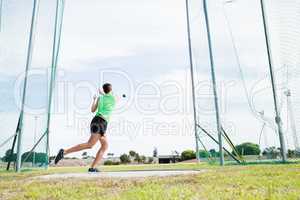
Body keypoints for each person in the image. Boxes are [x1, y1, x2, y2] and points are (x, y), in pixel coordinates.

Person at [54, 83, 116, 172]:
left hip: (97, 120)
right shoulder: (112, 98)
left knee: (104, 145)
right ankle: (64, 152)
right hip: (101, 122)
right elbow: (110, 95)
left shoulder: (100, 98)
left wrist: (95, 99)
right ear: (111, 90)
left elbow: (92, 110)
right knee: (90, 145)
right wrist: (103, 93)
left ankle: (93, 168)